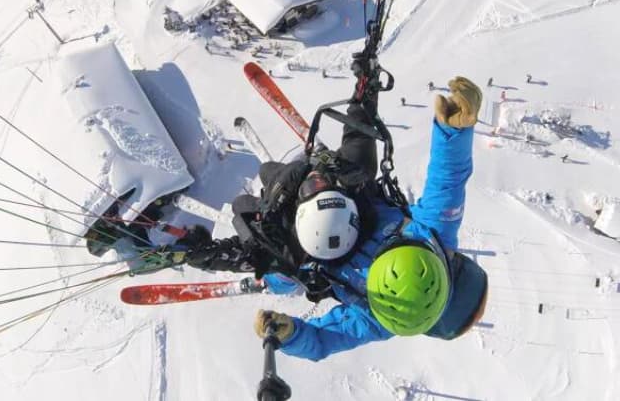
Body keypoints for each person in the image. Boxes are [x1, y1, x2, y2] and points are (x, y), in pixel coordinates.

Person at [182, 67, 486, 361]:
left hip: (309, 250)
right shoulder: (434, 236)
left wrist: (291, 335)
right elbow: (447, 180)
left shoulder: (382, 318)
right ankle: (364, 90)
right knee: (348, 153)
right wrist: (455, 129)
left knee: (270, 247)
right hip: (347, 197)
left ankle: (208, 252)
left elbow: (323, 340)